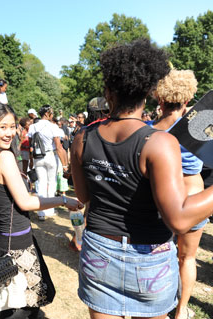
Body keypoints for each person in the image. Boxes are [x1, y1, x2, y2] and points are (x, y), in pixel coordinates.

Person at [70, 39, 213, 319]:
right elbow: (180, 219)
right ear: (147, 95)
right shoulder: (159, 143)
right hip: (148, 259)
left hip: (98, 251)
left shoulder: (81, 138)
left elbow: (84, 196)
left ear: (108, 93)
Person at [0, 102, 83, 318]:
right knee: (23, 307)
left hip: (1, 241)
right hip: (17, 245)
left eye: (12, 126)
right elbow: (24, 203)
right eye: (2, 127)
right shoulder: (4, 157)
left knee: (10, 306)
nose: (9, 133)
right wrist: (62, 199)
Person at [149, 69, 209, 319]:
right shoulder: (200, 126)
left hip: (159, 201)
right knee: (188, 257)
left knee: (159, 254)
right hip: (194, 198)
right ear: (188, 98)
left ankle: (159, 304)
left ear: (159, 99)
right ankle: (182, 309)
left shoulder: (148, 129)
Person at [28, 105, 68, 220]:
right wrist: (64, 164)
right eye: (51, 113)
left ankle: (41, 212)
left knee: (41, 183)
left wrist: (31, 162)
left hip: (37, 157)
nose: (53, 114)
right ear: (47, 113)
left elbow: (31, 146)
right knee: (51, 183)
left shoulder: (33, 127)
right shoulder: (53, 127)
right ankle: (50, 210)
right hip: (50, 155)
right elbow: (59, 147)